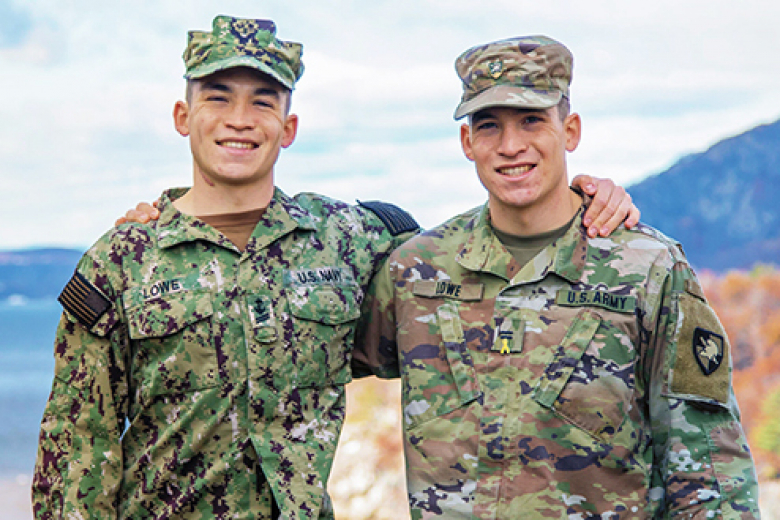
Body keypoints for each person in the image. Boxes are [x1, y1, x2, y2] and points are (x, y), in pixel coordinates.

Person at [33, 16, 636, 519]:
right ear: (182, 117)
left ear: (288, 128)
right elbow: (76, 448)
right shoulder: (123, 260)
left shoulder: (349, 239)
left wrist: (583, 198)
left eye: (262, 101)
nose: (240, 118)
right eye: (217, 97)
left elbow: (474, 267)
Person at [353, 35, 761, 518]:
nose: (510, 146)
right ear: (467, 142)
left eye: (531, 120)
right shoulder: (417, 271)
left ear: (570, 130)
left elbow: (709, 469)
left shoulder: (645, 270)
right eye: (488, 125)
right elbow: (306, 361)